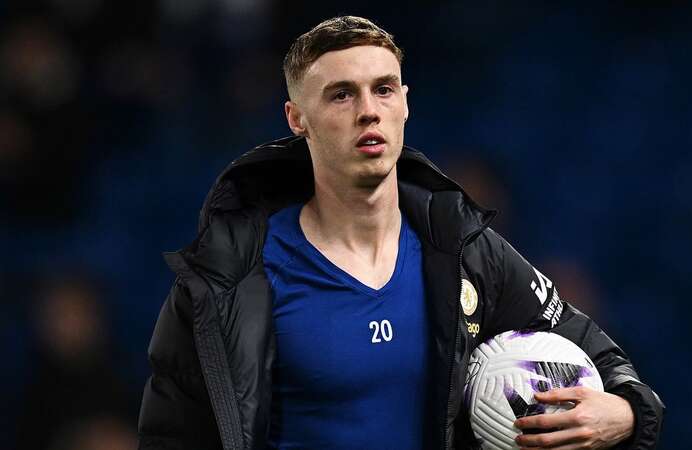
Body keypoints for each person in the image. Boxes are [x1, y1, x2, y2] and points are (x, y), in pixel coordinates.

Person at [138, 16, 664, 450]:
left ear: (405, 103)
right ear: (297, 118)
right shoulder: (226, 279)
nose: (368, 110)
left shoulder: (463, 251)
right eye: (341, 95)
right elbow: (170, 437)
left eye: (383, 89)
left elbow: (601, 357)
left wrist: (625, 415)